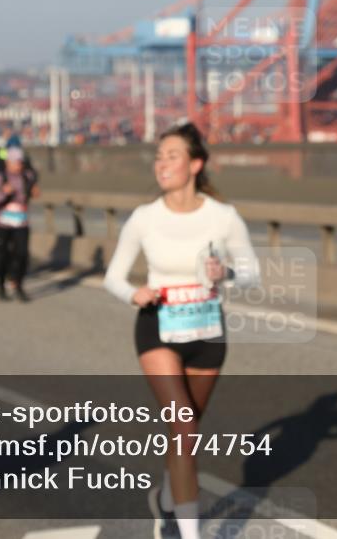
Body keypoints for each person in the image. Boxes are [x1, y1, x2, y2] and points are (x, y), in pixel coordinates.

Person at [103, 123, 259, 539]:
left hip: (207, 332)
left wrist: (224, 272)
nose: (162, 163)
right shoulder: (144, 218)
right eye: (158, 156)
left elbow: (251, 272)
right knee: (185, 425)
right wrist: (133, 294)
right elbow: (113, 277)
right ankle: (189, 534)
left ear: (195, 164)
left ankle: (169, 500)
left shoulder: (222, 217)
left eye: (171, 155)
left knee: (184, 433)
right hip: (158, 327)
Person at [0, 147, 36, 302]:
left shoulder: (27, 177)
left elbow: (31, 190)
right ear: (8, 163)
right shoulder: (0, 178)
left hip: (20, 221)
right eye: (15, 162)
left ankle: (18, 284)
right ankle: (1, 286)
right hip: (1, 222)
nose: (18, 165)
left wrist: (32, 191)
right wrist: (4, 193)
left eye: (20, 162)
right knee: (3, 254)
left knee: (22, 253)